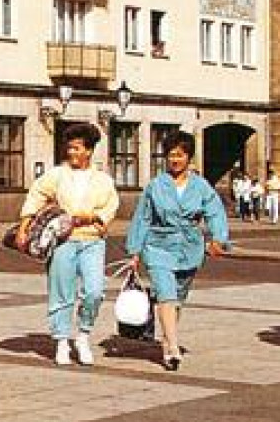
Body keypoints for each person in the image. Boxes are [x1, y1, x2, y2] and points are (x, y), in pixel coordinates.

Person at [126, 130, 231, 371]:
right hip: (158, 246)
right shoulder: (155, 186)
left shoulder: (201, 186)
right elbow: (142, 218)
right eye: (171, 155)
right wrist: (134, 251)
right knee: (166, 293)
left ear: (189, 158)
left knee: (177, 299)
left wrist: (218, 238)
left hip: (189, 248)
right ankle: (172, 347)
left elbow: (214, 212)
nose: (175, 160)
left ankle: (166, 334)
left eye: (180, 155)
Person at [17, 122, 120, 367]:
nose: (72, 153)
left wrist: (94, 218)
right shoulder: (57, 175)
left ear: (89, 150)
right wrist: (24, 227)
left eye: (77, 148)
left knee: (94, 291)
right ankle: (62, 340)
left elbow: (110, 207)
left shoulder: (103, 180)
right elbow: (36, 195)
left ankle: (83, 335)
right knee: (62, 292)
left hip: (92, 241)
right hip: (62, 241)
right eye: (70, 148)